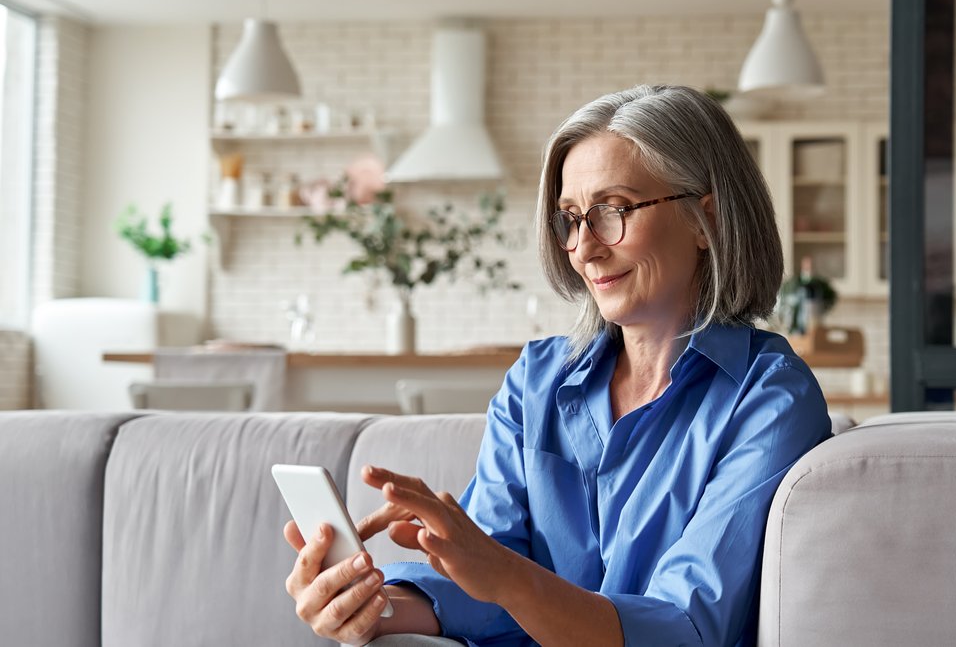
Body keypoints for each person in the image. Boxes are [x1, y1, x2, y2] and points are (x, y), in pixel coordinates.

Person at [283, 84, 831, 647]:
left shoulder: (769, 398)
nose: (584, 248)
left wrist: (503, 578)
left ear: (703, 219)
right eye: (571, 218)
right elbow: (484, 590)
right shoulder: (536, 380)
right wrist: (370, 604)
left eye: (613, 210)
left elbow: (684, 628)